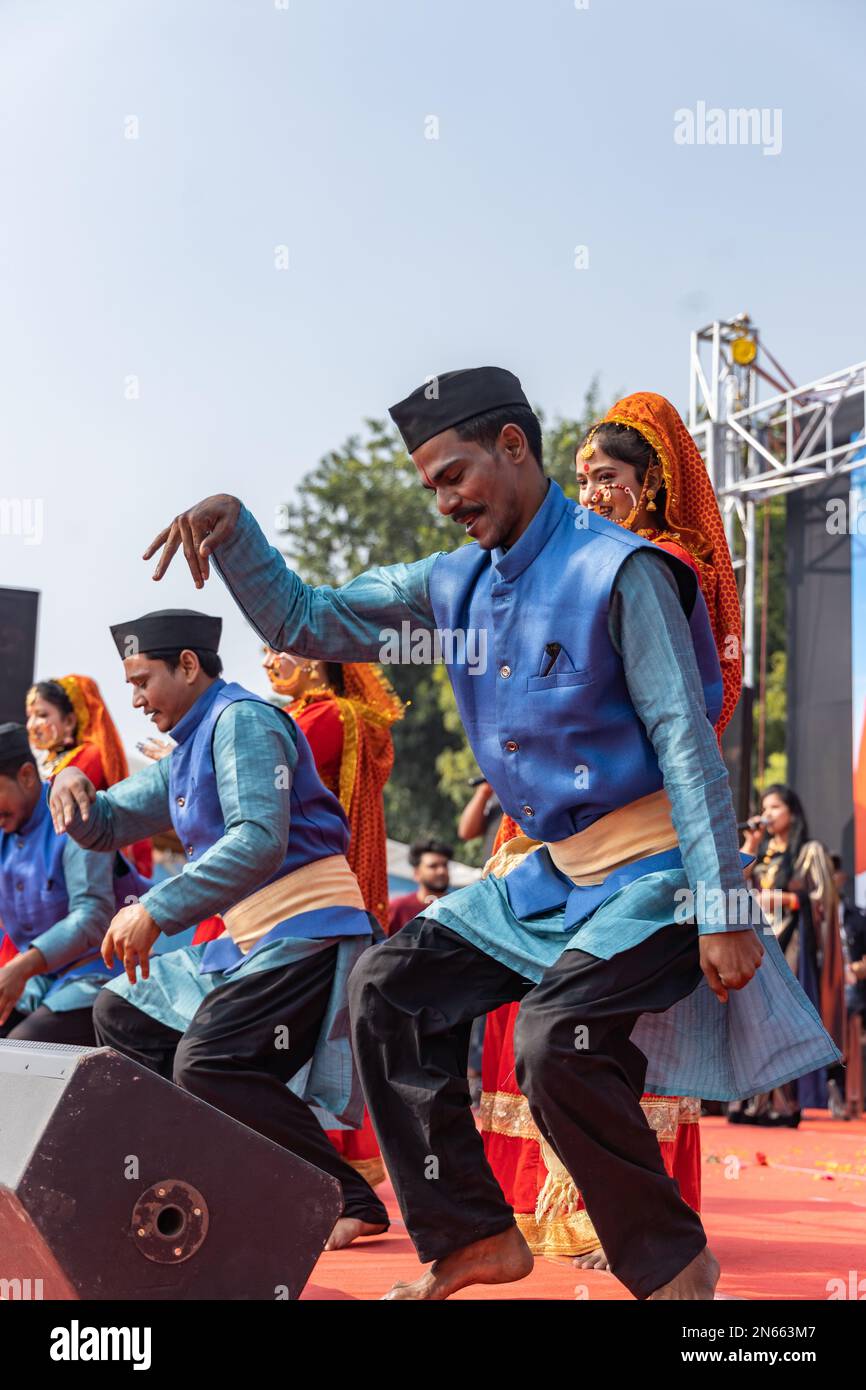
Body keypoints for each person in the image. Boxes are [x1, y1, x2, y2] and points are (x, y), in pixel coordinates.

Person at [143, 365, 839, 1302]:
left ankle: (676, 1266)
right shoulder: (449, 587)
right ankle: (470, 1234)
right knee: (392, 987)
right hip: (549, 880)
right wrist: (238, 537)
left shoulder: (621, 570)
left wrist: (721, 906)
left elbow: (686, 739)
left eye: (453, 475)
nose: (441, 503)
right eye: (428, 484)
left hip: (658, 872)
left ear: (515, 446)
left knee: (560, 1040)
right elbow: (307, 618)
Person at [479, 390, 742, 1264]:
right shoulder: (586, 566)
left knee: (604, 1035)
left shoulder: (656, 567)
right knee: (573, 1034)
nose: (592, 493)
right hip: (573, 844)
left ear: (654, 486)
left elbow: (671, 722)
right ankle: (603, 1212)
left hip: (642, 844)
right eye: (584, 477)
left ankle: (642, 1225)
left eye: (611, 479)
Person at [49, 608, 389, 1250]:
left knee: (210, 1061)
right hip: (249, 942)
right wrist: (70, 781)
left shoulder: (243, 722)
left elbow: (260, 839)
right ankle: (193, 1177)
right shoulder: (188, 750)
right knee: (124, 1013)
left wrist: (155, 908)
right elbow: (107, 821)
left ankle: (349, 1196)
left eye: (143, 680)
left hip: (307, 927)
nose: (137, 699)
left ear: (187, 665)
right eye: (128, 687)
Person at [263, 645, 404, 1187]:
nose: (267, 664)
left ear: (316, 661)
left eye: (279, 653)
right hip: (297, 896)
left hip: (318, 897)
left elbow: (268, 780)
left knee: (319, 1029)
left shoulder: (327, 716)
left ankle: (332, 1169)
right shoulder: (303, 715)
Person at [731, 785, 846, 1126]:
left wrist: (782, 900)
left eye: (776, 807)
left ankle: (785, 1103)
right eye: (764, 807)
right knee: (755, 1020)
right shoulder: (760, 851)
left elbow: (823, 900)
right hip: (758, 942)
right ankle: (753, 1104)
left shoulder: (808, 852)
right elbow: (732, 882)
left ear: (792, 813)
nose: (768, 814)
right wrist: (750, 843)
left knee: (782, 1018)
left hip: (791, 942)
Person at [0, 722, 114, 1042]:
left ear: (25, 775)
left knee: (21, 1052)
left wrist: (21, 967)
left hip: (97, 976)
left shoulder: (72, 809)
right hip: (37, 980)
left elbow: (92, 914)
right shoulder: (6, 829)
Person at [25, 674, 152, 876]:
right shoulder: (43, 763)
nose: (31, 725)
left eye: (41, 715)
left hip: (79, 867)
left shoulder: (89, 755)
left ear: (69, 721)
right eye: (29, 716)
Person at [388, 838, 452, 935]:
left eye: (444, 865)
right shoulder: (398, 908)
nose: (441, 871)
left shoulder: (458, 909)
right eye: (433, 866)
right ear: (416, 873)